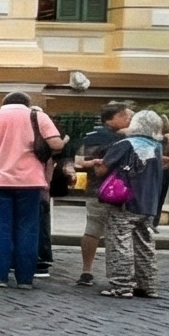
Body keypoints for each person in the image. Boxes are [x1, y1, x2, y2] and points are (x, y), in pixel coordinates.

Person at [0, 92, 67, 288]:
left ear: (3, 103)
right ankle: (25, 278)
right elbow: (55, 144)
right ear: (27, 103)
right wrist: (64, 141)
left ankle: (0, 276)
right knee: (28, 230)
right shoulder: (39, 117)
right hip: (30, 181)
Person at [97, 111, 169, 298]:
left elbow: (104, 167)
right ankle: (147, 284)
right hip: (149, 203)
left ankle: (121, 285)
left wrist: (93, 164)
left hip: (125, 200)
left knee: (119, 242)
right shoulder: (156, 146)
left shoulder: (125, 144)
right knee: (144, 242)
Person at [66, 103, 134, 285]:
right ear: (114, 118)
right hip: (120, 189)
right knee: (119, 231)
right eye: (126, 117)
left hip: (95, 189)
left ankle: (86, 270)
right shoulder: (125, 139)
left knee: (92, 229)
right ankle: (119, 272)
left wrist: (93, 163)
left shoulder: (91, 137)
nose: (129, 120)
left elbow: (79, 162)